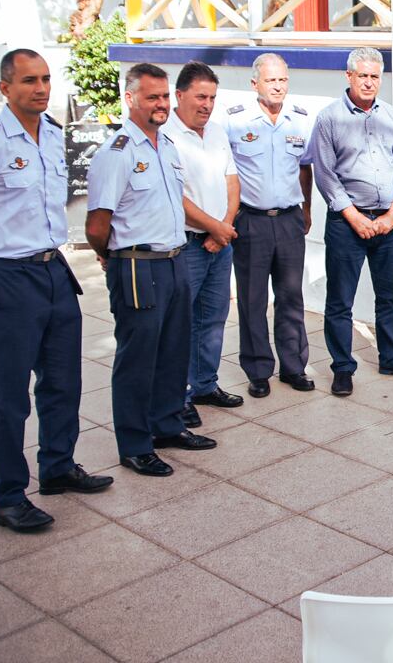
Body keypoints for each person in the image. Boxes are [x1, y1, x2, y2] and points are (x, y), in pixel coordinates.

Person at [0, 50, 112, 532]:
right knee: (9, 393)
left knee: (63, 381)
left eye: (45, 79)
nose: (40, 88)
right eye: (28, 81)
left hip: (53, 269)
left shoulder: (53, 136)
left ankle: (57, 468)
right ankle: (9, 495)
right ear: (5, 88)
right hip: (8, 277)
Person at [87, 63, 217, 477]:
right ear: (130, 99)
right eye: (152, 97)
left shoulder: (165, 146)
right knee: (138, 357)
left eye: (164, 96)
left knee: (173, 351)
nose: (161, 104)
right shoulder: (117, 152)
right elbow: (96, 226)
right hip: (138, 266)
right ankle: (134, 443)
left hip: (175, 260)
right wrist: (115, 256)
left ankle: (166, 425)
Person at [311, 47, 393, 397]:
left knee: (390, 296)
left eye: (375, 76)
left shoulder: (391, 116)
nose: (369, 82)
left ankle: (391, 357)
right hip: (347, 223)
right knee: (340, 301)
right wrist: (354, 216)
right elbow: (325, 174)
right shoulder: (329, 118)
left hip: (389, 222)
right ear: (349, 77)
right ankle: (343, 367)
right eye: (363, 75)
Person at [224, 52, 316, 398]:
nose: (278, 87)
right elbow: (226, 172)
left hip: (290, 218)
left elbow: (305, 167)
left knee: (291, 296)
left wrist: (306, 210)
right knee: (252, 298)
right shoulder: (235, 121)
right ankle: (259, 369)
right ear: (255, 84)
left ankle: (294, 367)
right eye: (271, 80)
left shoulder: (300, 119)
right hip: (251, 220)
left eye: (282, 80)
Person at [164, 62, 243, 429]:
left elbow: (232, 182)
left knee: (213, 319)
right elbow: (174, 197)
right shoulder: (166, 136)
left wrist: (224, 227)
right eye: (200, 96)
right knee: (180, 324)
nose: (207, 104)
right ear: (179, 96)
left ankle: (204, 385)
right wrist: (216, 228)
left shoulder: (216, 133)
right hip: (187, 245)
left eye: (212, 97)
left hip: (219, 242)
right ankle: (175, 397)